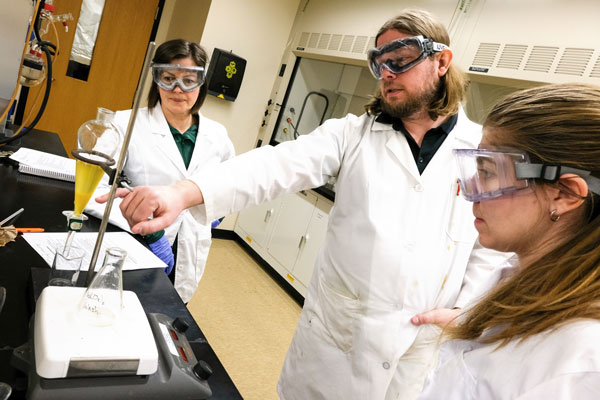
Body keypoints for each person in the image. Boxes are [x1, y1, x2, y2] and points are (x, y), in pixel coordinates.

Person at [98, 9, 512, 400]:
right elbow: (274, 165)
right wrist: (180, 193)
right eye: (379, 64)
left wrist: (466, 308)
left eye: (400, 61)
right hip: (339, 338)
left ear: (442, 62)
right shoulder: (352, 135)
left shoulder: (476, 150)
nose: (387, 73)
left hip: (417, 346)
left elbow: (488, 241)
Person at [418, 83, 600, 399]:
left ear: (563, 193)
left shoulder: (580, 361)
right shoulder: (518, 276)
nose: (469, 189)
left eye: (487, 171)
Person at [90, 39, 234, 303]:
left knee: (171, 313)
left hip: (189, 249)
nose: (177, 89)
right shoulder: (126, 123)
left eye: (189, 80)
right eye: (168, 78)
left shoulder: (218, 135)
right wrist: (151, 232)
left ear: (201, 84)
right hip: (134, 244)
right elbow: (92, 191)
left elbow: (229, 184)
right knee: (124, 308)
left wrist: (215, 214)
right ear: (156, 79)